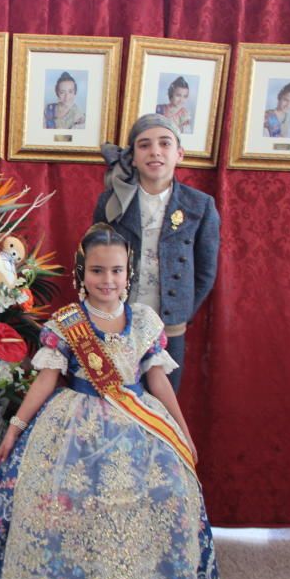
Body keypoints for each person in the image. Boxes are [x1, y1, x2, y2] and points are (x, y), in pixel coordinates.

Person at [0, 223, 226, 579]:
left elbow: (159, 382)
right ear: (81, 272)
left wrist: (182, 430)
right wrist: (15, 428)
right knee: (66, 517)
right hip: (72, 430)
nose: (107, 280)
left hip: (140, 431)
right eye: (97, 270)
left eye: (116, 271)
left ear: (129, 273)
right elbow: (46, 380)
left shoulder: (145, 321)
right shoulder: (66, 324)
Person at [94, 113, 220, 391]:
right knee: (114, 399)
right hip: (117, 320)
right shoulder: (112, 202)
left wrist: (179, 312)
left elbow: (206, 272)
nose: (155, 152)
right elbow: (93, 260)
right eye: (144, 145)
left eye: (165, 143)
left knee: (162, 403)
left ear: (179, 154)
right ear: (133, 156)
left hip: (169, 327)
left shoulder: (200, 205)